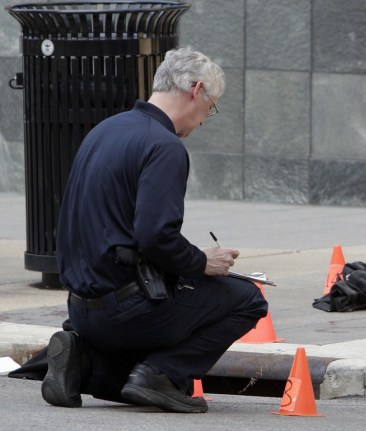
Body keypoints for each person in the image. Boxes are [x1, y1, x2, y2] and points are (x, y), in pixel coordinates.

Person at [42, 47, 268, 413]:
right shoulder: (164, 146)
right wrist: (201, 262)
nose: (203, 120)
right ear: (196, 90)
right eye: (210, 107)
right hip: (127, 309)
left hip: (81, 310)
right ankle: (159, 373)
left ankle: (81, 360)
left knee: (130, 384)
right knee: (248, 299)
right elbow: (155, 236)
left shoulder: (105, 130)